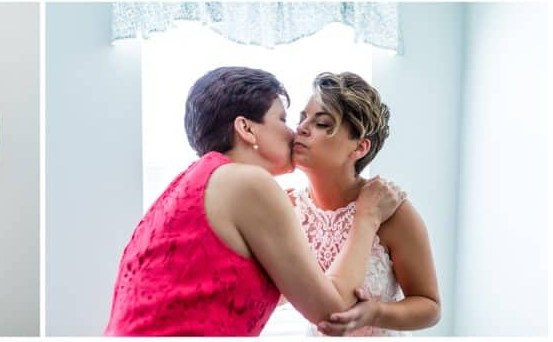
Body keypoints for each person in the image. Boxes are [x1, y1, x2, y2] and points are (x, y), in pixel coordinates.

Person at [105, 67, 403, 336]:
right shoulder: (249, 183)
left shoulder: (189, 183)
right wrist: (367, 218)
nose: (294, 131)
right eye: (283, 119)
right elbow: (332, 314)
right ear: (246, 129)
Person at [292, 73, 440, 336]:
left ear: (359, 148)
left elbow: (430, 307)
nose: (302, 128)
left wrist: (375, 312)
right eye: (302, 118)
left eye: (322, 123)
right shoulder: (289, 207)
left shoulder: (393, 212)